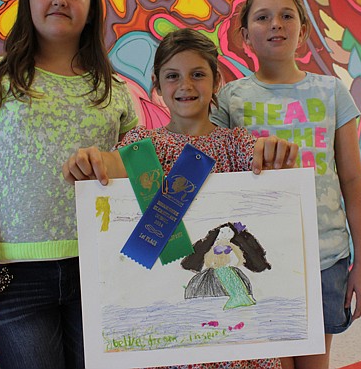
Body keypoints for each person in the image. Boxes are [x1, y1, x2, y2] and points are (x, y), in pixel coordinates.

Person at [0, 0, 138, 369]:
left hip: (98, 267)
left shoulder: (115, 90)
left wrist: (109, 163)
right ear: (28, 2)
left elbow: (134, 169)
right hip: (16, 274)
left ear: (91, 10)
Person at [63, 27, 298, 369]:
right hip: (171, 327)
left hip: (238, 335)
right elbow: (114, 165)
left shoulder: (236, 144)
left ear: (216, 81)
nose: (185, 85)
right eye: (173, 76)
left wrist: (275, 154)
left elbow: (265, 166)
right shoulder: (145, 146)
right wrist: (92, 162)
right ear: (157, 85)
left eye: (197, 74)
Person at [210, 0, 361, 369]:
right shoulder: (230, 99)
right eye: (263, 17)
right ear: (245, 35)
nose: (276, 24)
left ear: (302, 31)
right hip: (256, 259)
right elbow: (214, 167)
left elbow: (352, 180)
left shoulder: (331, 91)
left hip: (324, 256)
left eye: (287, 16)